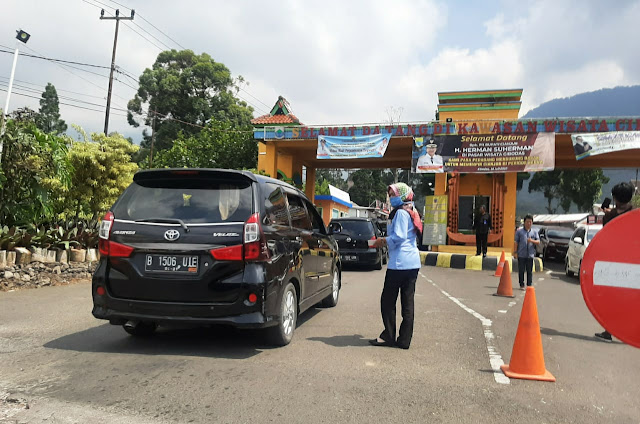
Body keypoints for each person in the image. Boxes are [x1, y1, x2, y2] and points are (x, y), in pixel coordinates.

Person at [369, 182, 422, 349]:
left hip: (399, 264)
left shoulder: (400, 213)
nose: (391, 198)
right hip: (412, 263)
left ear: (402, 195)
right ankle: (404, 340)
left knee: (387, 301)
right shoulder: (411, 210)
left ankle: (389, 336)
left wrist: (381, 241)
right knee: (407, 302)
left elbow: (398, 237)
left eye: (393, 194)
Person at [594, 182, 635, 342]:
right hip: (632, 262)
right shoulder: (635, 213)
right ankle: (627, 332)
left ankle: (609, 330)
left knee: (612, 298)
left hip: (614, 262)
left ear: (615, 198)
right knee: (629, 299)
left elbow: (607, 235)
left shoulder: (609, 216)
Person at [514, 214, 540, 290]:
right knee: (521, 270)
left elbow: (538, 242)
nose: (529, 223)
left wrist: (531, 241)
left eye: (530, 222)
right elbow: (516, 242)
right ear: (524, 222)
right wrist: (515, 252)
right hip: (521, 254)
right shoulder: (519, 232)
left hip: (530, 254)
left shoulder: (534, 232)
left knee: (529, 271)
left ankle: (529, 284)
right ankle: (521, 284)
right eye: (527, 222)